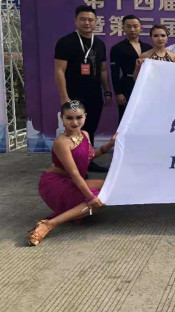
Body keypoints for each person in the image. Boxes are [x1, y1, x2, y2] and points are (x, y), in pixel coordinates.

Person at [28, 100, 116, 246]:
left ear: (85, 116)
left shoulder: (85, 134)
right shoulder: (61, 142)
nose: (74, 122)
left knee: (108, 188)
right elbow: (74, 173)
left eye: (79, 117)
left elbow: (90, 156)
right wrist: (90, 197)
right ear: (61, 118)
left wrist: (110, 144)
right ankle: (49, 224)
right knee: (97, 200)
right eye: (69, 118)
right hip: (55, 185)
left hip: (70, 181)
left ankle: (74, 210)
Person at [54, 5, 112, 172]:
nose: (87, 23)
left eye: (90, 20)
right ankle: (72, 165)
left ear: (96, 22)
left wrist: (107, 91)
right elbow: (59, 70)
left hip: (94, 94)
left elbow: (103, 70)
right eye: (83, 19)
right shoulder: (66, 42)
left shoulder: (99, 44)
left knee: (90, 129)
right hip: (74, 94)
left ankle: (87, 161)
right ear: (76, 21)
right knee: (74, 129)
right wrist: (64, 96)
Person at [110, 15, 152, 122]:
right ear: (123, 28)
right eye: (128, 26)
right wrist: (118, 93)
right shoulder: (117, 48)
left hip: (145, 86)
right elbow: (114, 73)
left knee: (145, 117)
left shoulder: (148, 48)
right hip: (126, 86)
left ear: (141, 28)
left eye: (135, 26)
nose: (132, 29)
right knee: (125, 118)